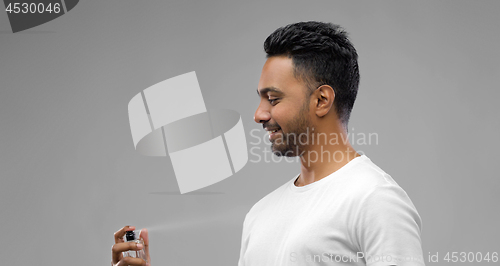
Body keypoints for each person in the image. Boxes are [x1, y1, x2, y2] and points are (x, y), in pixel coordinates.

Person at [111, 21, 425, 266]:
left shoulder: (375, 200)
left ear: (322, 100)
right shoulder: (261, 214)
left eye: (273, 99)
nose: (259, 114)